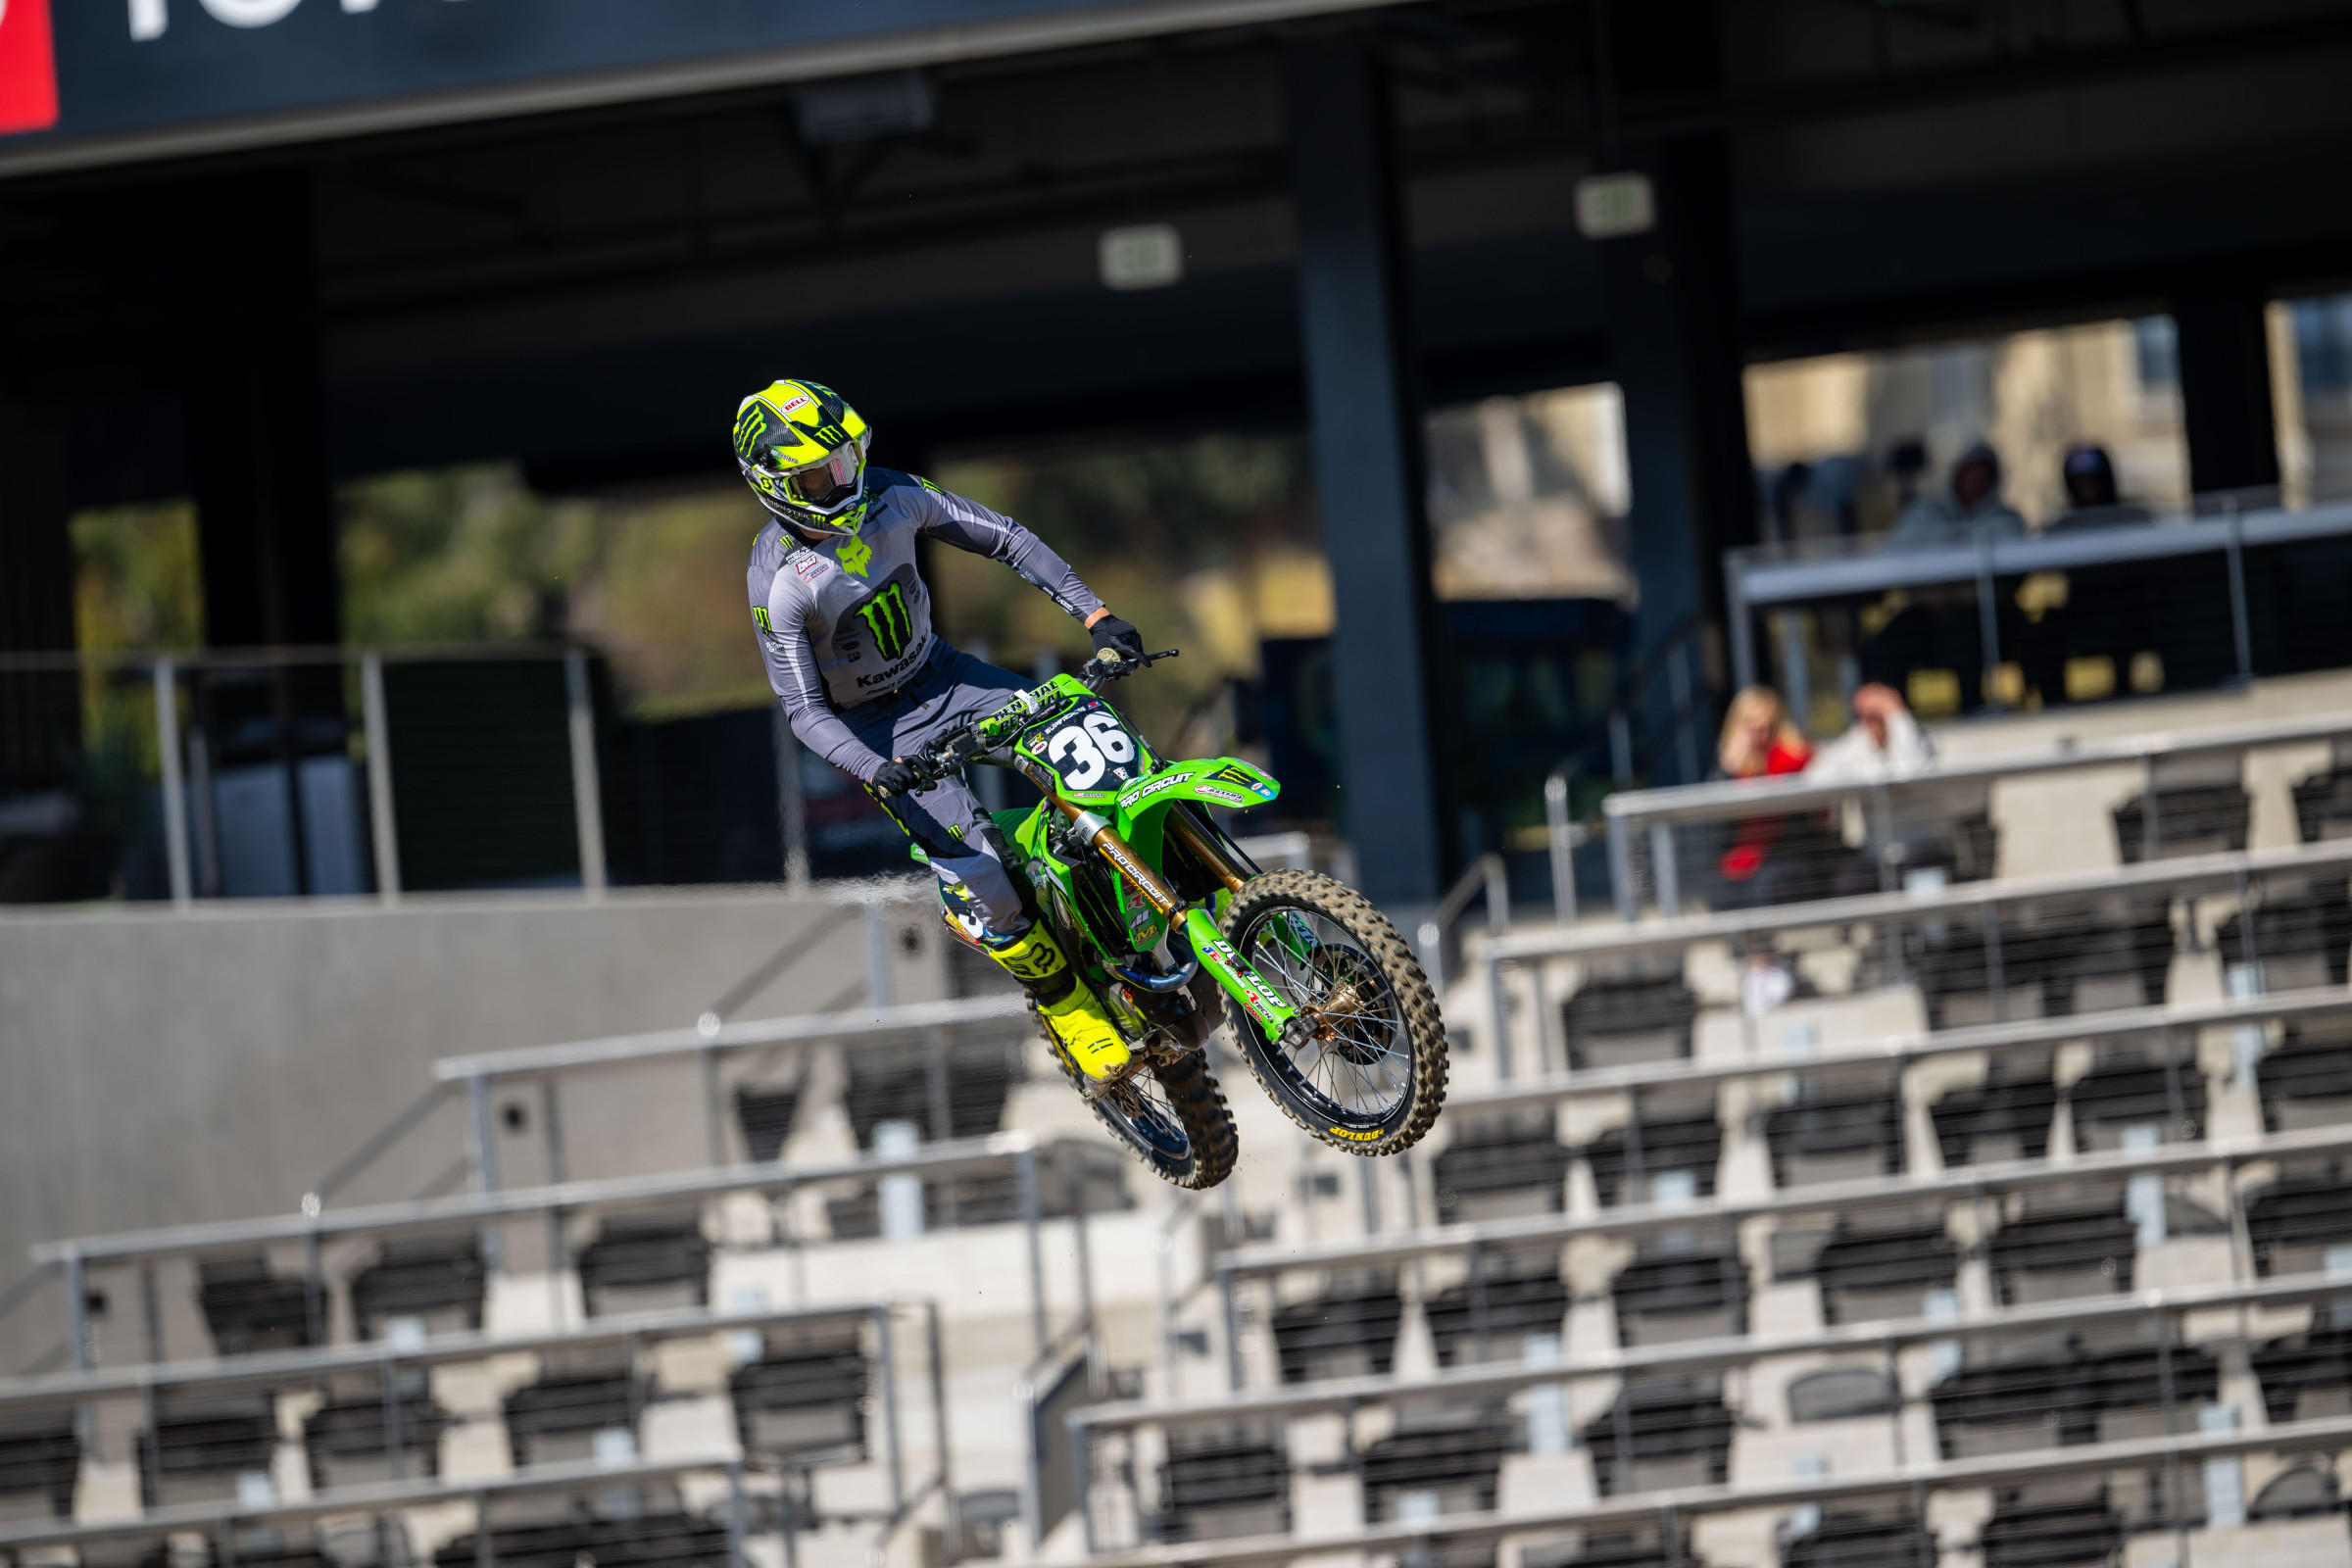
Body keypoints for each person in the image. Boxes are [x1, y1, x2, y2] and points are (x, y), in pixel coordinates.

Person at [738, 378, 1144, 1081]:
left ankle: (1140, 898)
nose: (847, 480)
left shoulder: (895, 492)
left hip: (948, 674)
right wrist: (872, 769)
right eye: (822, 475)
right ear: (777, 488)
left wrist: (1095, 615)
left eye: (847, 458)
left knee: (1100, 742)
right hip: (877, 730)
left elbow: (1007, 537)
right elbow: (803, 711)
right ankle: (1068, 1004)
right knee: (984, 871)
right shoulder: (776, 580)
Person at [1715, 687, 1812, 1015]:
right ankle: (1763, 968)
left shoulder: (1794, 758)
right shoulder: (1731, 768)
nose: (1760, 735)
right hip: (1745, 862)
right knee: (1725, 889)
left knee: (1764, 885)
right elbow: (1717, 827)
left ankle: (1762, 969)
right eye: (1752, 727)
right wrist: (1729, 769)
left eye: (1767, 727)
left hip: (1791, 858)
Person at [1885, 441, 2028, 549]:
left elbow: (2014, 550)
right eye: (1970, 474)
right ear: (1957, 476)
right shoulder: (1925, 514)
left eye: (1983, 476)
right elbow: (1893, 553)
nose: (1976, 482)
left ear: (1993, 481)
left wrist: (1962, 541)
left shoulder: (2005, 520)